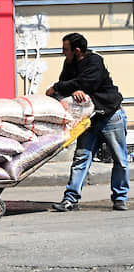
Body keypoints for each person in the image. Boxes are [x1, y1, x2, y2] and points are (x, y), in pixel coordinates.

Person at [46, 33, 129, 211]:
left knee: (120, 159)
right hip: (88, 120)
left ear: (77, 50)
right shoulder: (69, 63)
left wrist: (63, 87)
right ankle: (71, 199)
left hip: (110, 116)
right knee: (81, 158)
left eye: (65, 49)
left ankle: (120, 197)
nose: (62, 53)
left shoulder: (95, 61)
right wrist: (71, 88)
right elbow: (66, 82)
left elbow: (86, 83)